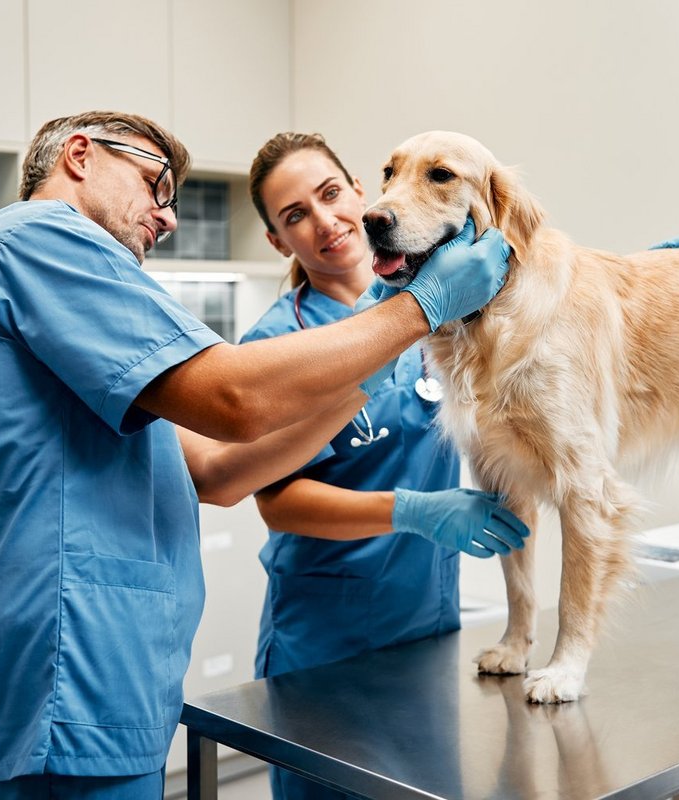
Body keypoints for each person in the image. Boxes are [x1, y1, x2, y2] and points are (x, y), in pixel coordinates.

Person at [0, 110, 527, 800]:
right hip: (65, 669)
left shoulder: (68, 283)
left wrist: (370, 356)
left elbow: (216, 469)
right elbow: (235, 399)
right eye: (154, 184)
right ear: (80, 156)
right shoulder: (40, 239)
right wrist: (421, 307)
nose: (167, 216)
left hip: (105, 675)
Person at [242, 132, 526, 800]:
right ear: (279, 242)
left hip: (426, 632)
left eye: (331, 194)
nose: (325, 221)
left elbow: (546, 306)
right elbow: (274, 500)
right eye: (294, 216)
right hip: (325, 645)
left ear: (364, 193)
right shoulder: (279, 342)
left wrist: (666, 272)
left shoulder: (440, 315)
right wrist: (412, 511)